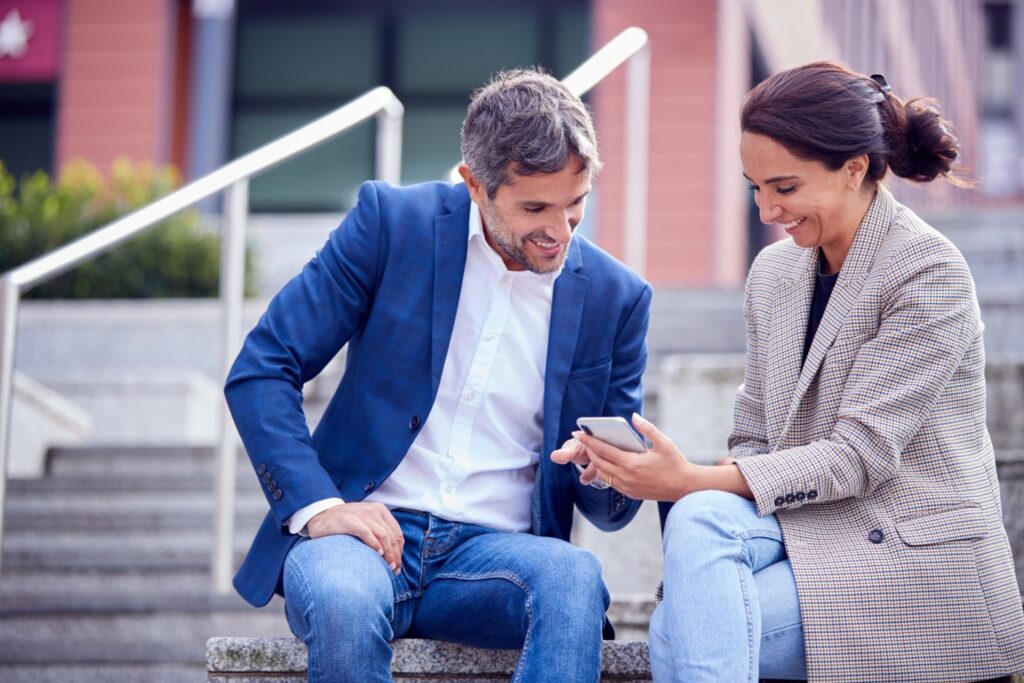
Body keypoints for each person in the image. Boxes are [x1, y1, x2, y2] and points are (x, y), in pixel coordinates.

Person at [555, 62, 1024, 682]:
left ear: (855, 167)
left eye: (785, 187)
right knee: (696, 517)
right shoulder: (775, 275)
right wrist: (644, 471)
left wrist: (687, 477)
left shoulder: (926, 271)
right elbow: (753, 439)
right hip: (806, 530)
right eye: (754, 188)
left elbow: (859, 457)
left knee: (678, 624)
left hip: (908, 558)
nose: (768, 208)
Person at [225, 68, 651, 683]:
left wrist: (609, 468)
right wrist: (320, 508)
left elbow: (608, 511)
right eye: (535, 207)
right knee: (343, 601)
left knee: (574, 576)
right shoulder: (390, 224)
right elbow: (264, 366)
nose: (559, 231)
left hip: (493, 560)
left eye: (576, 205)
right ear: (475, 185)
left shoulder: (617, 297)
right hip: (361, 536)